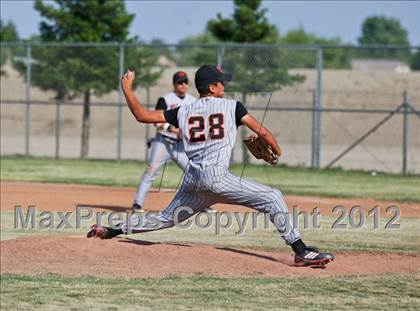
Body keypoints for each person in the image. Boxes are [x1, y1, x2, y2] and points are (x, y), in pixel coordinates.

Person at [88, 65, 334, 268]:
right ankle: (301, 251)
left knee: (165, 218)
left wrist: (127, 89)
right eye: (221, 82)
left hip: (193, 180)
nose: (224, 86)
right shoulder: (233, 107)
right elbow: (265, 133)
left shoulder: (182, 111)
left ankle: (112, 230)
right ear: (213, 87)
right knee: (273, 196)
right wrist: (277, 154)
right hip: (217, 178)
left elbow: (141, 115)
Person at [132, 70, 213, 213]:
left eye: (185, 82)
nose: (183, 85)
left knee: (193, 172)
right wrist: (173, 129)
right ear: (174, 84)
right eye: (179, 82)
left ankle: (202, 203)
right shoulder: (166, 99)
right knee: (151, 170)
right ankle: (137, 204)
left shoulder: (193, 101)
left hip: (182, 145)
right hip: (163, 142)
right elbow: (156, 122)